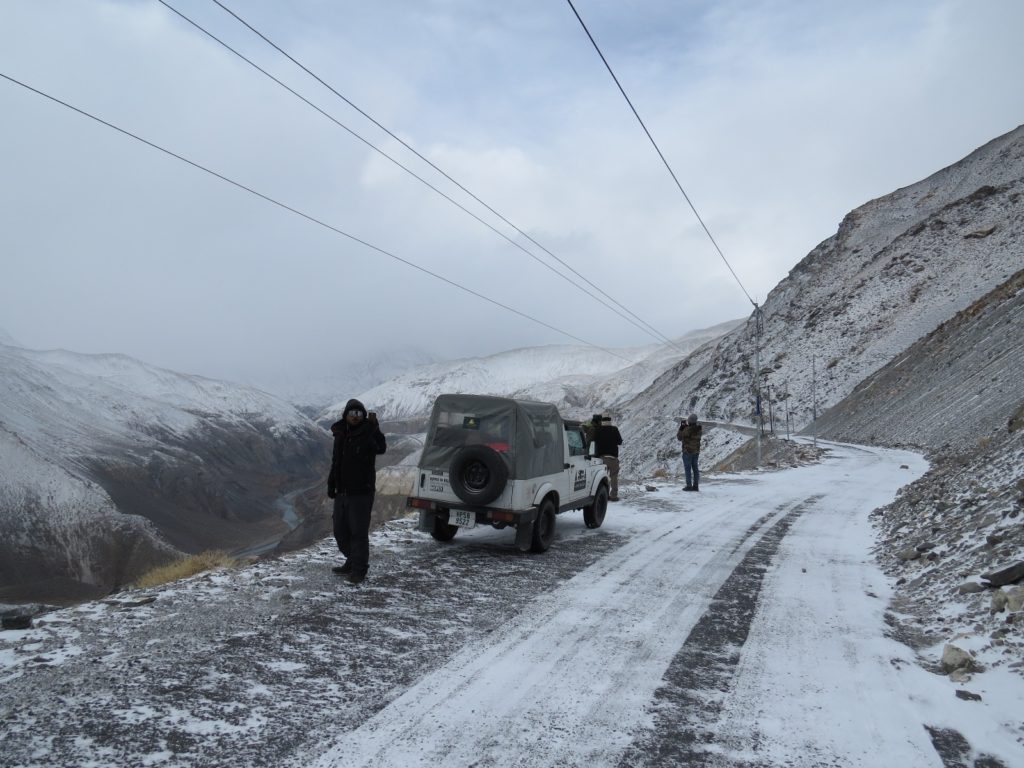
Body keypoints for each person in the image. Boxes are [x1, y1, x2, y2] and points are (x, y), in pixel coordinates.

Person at [327, 398, 386, 584]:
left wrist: (375, 429)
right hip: (342, 491)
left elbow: (381, 448)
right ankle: (352, 560)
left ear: (363, 416)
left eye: (359, 413)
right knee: (340, 531)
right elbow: (336, 461)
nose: (355, 417)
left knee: (358, 532)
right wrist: (331, 483)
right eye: (352, 413)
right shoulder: (340, 433)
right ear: (346, 415)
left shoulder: (368, 432)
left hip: (361, 492)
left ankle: (359, 570)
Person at [592, 413, 623, 501]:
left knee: (602, 477)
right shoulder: (614, 429)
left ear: (602, 422)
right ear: (610, 421)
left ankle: (603, 496)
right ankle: (613, 496)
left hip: (601, 458)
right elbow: (620, 442)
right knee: (613, 476)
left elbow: (594, 442)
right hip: (613, 458)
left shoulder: (598, 430)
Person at [677, 413, 702, 491]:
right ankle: (696, 486)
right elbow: (691, 432)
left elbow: (679, 437)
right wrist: (687, 427)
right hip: (696, 451)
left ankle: (689, 486)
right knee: (695, 468)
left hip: (687, 452)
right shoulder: (699, 429)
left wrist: (681, 428)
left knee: (688, 469)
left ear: (690, 420)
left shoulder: (687, 429)